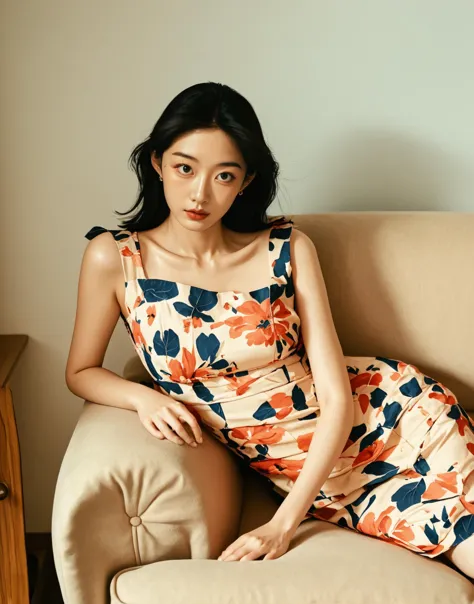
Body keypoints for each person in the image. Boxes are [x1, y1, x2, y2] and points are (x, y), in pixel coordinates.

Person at [65, 81, 474, 578]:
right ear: (157, 162)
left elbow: (338, 400)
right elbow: (81, 371)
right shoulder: (116, 257)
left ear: (245, 181)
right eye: (184, 167)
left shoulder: (287, 248)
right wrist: (144, 398)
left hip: (395, 416)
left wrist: (282, 525)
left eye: (224, 175)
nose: (199, 193)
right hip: (314, 473)